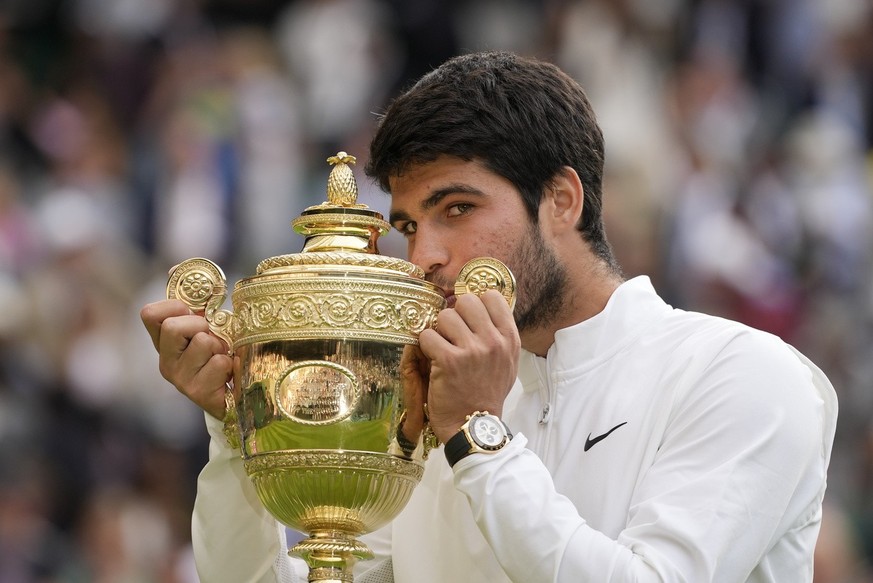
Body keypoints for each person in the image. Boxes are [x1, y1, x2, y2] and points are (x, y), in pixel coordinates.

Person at [141, 51, 838, 582]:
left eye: (458, 209)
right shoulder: (434, 411)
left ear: (562, 200)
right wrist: (240, 432)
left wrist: (477, 435)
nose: (426, 257)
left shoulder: (742, 373)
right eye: (409, 225)